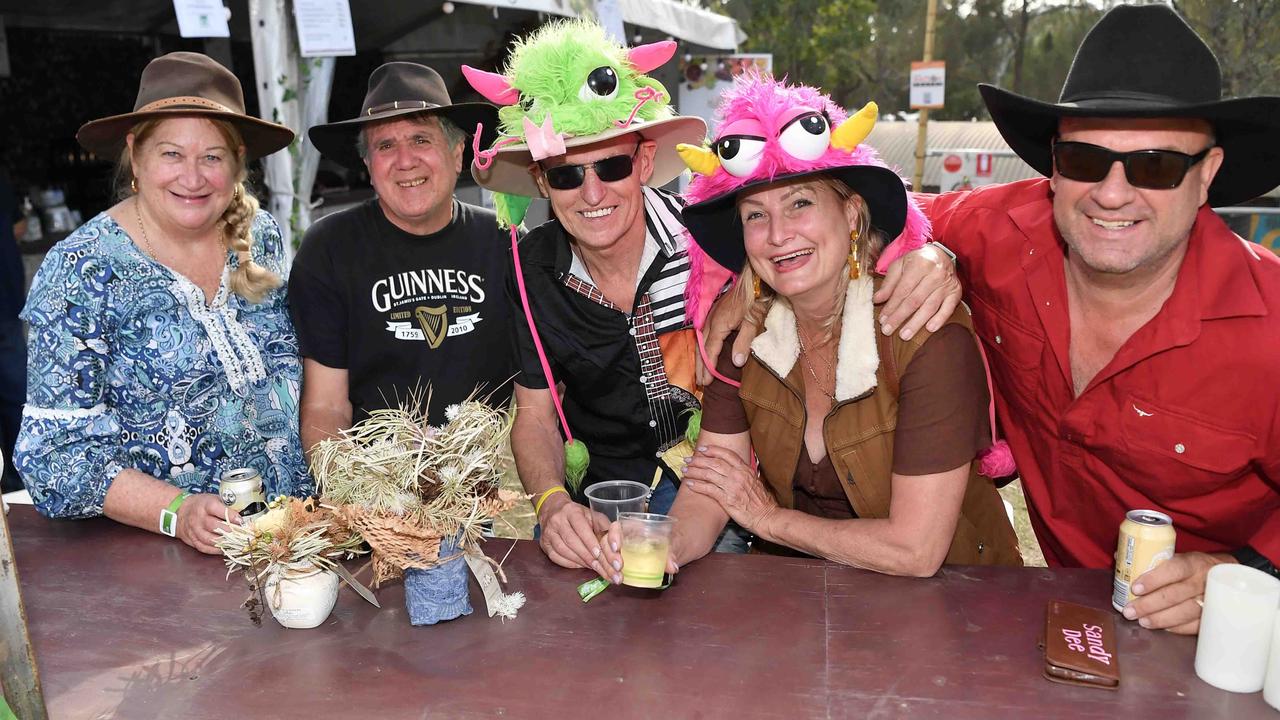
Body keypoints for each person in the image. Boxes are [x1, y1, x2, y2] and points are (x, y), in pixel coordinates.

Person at [705, 4, 1280, 634]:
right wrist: (919, 247)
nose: (1113, 194)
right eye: (1085, 160)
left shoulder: (1267, 325)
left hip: (1219, 627)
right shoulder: (1003, 231)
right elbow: (845, 218)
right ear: (1054, 167)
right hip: (1050, 607)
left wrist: (1243, 572)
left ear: (1208, 176)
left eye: (1156, 166)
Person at [595, 75, 1020, 580]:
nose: (777, 235)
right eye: (755, 215)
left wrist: (769, 521)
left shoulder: (924, 331)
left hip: (953, 604)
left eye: (801, 203)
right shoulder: (745, 338)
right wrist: (664, 544)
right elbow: (713, 484)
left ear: (852, 213)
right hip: (801, 604)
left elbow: (915, 550)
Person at [15, 52, 310, 553]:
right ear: (136, 153)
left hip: (292, 537)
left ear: (238, 161)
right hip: (162, 563)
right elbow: (54, 456)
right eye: (172, 154)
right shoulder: (82, 269)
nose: (192, 178)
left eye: (212, 157)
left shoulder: (259, 236)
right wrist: (174, 510)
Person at [291, 62, 512, 450]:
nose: (405, 160)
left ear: (458, 152)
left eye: (421, 139)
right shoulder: (329, 248)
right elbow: (326, 405)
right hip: (371, 484)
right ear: (368, 166)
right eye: (385, 146)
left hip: (479, 485)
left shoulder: (506, 243)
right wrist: (351, 490)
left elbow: (544, 390)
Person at [0, 169, 26, 493]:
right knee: (16, 397)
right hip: (5, 306)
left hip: (5, 309)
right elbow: (18, 226)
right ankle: (19, 479)